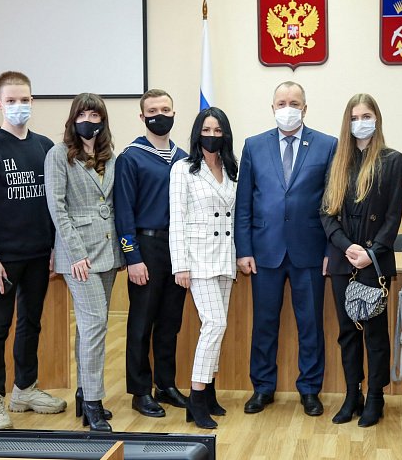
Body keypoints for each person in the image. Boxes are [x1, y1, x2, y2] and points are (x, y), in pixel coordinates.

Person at [0, 71, 67, 429]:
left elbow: (55, 203)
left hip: (39, 254)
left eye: (24, 100)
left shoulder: (44, 147)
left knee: (31, 323)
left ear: (32, 101)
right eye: (11, 100)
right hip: (4, 258)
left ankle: (25, 389)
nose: (18, 106)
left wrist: (55, 248)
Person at [234, 81, 337, 417]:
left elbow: (332, 204)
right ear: (273, 107)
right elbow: (244, 203)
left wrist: (330, 250)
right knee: (264, 324)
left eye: (294, 103)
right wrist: (243, 249)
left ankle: (310, 389)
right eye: (282, 103)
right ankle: (262, 387)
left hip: (310, 251)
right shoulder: (254, 145)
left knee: (311, 325)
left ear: (305, 108)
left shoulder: (327, 145)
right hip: (265, 251)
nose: (288, 108)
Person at [320, 94, 402, 427]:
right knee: (347, 331)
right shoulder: (337, 160)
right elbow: (326, 213)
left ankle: (376, 396)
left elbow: (394, 215)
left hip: (374, 261)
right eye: (354, 117)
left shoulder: (391, 159)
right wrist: (346, 248)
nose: (360, 122)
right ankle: (352, 394)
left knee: (374, 333)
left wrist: (371, 252)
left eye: (366, 116)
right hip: (344, 259)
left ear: (377, 119)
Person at [45, 93, 123, 432]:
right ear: (73, 118)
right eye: (83, 114)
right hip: (78, 255)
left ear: (103, 120)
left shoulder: (110, 156)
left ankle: (83, 392)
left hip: (107, 252)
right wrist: (76, 253)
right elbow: (58, 208)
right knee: (95, 325)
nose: (88, 121)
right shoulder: (59, 154)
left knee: (90, 326)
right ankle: (93, 402)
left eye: (95, 115)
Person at [114, 89, 189, 418]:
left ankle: (166, 384)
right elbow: (123, 212)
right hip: (146, 246)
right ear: (142, 116)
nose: (160, 115)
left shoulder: (183, 158)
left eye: (166, 110)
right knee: (142, 322)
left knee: (171, 321)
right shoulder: (130, 157)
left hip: (177, 248)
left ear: (174, 113)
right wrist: (132, 257)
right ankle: (140, 390)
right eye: (153, 111)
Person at [169, 107, 238, 429]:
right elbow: (177, 219)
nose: (212, 136)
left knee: (217, 327)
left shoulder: (232, 168)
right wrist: (180, 265)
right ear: (198, 133)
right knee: (214, 324)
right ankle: (195, 397)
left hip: (224, 256)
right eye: (206, 130)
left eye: (218, 130)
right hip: (197, 260)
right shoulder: (183, 169)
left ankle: (209, 392)